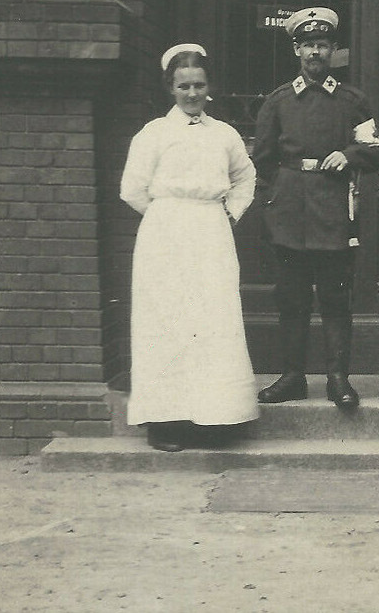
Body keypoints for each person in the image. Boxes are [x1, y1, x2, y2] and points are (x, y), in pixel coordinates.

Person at [120, 43, 259, 452]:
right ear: (171, 88)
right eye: (184, 86)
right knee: (166, 322)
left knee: (212, 319)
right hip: (165, 236)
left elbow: (245, 177)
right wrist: (167, 217)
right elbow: (132, 189)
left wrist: (228, 213)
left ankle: (213, 417)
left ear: (208, 86)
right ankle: (165, 422)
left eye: (199, 85)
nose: (192, 93)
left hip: (211, 232)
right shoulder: (154, 134)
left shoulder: (225, 134)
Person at [251, 7, 379, 411]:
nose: (315, 52)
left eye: (322, 45)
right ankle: (292, 377)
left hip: (333, 213)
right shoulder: (278, 101)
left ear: (333, 50)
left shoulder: (351, 101)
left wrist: (350, 154)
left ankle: (337, 378)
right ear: (296, 49)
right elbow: (262, 161)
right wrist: (278, 200)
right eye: (308, 44)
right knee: (291, 298)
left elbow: (376, 150)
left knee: (334, 298)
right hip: (289, 213)